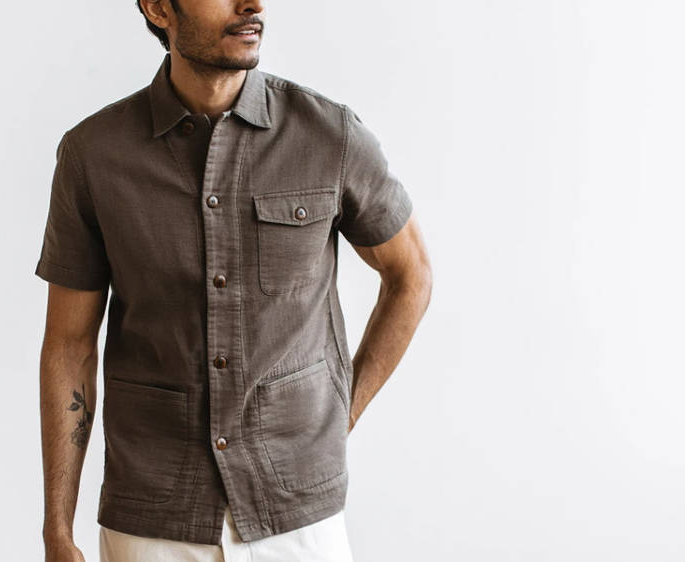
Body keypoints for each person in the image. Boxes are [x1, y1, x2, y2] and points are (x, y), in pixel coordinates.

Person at [35, 0, 433, 560]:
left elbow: (410, 274)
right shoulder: (95, 156)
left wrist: (341, 411)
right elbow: (70, 344)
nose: (253, 4)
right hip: (153, 521)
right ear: (158, 8)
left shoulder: (329, 135)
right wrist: (57, 530)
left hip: (298, 522)